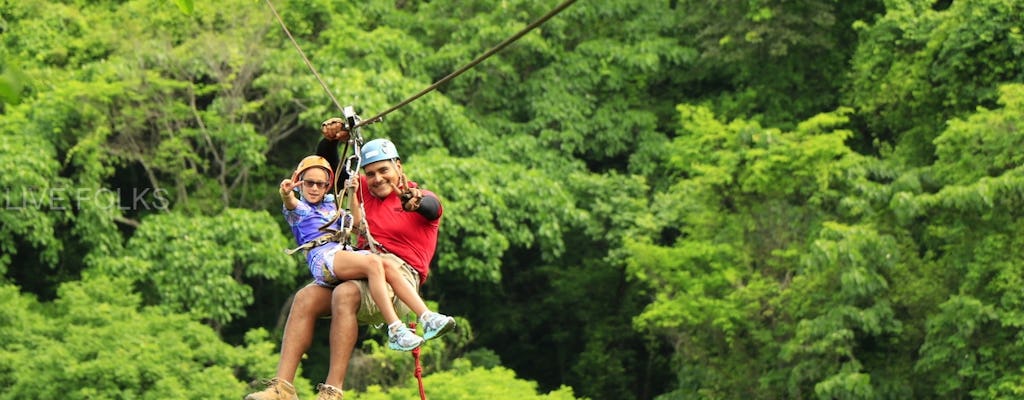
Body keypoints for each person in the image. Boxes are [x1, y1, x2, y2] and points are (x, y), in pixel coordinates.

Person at [245, 120, 455, 400]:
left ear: (399, 168)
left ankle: (332, 391)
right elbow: (330, 172)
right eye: (371, 173)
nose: (377, 178)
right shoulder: (364, 194)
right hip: (361, 265)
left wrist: (414, 201)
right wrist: (331, 141)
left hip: (399, 277)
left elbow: (431, 209)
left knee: (345, 293)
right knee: (305, 298)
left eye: (384, 171)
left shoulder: (421, 197)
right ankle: (282, 388)